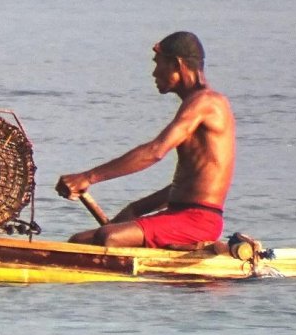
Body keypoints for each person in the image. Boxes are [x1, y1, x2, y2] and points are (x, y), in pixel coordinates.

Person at [55, 31, 235, 249]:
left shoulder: (206, 102)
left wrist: (88, 177)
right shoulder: (196, 103)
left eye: (158, 64)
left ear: (177, 64)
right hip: (177, 215)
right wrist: (136, 208)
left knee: (109, 238)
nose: (154, 73)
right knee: (79, 241)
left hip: (198, 222)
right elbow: (191, 181)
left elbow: (155, 151)